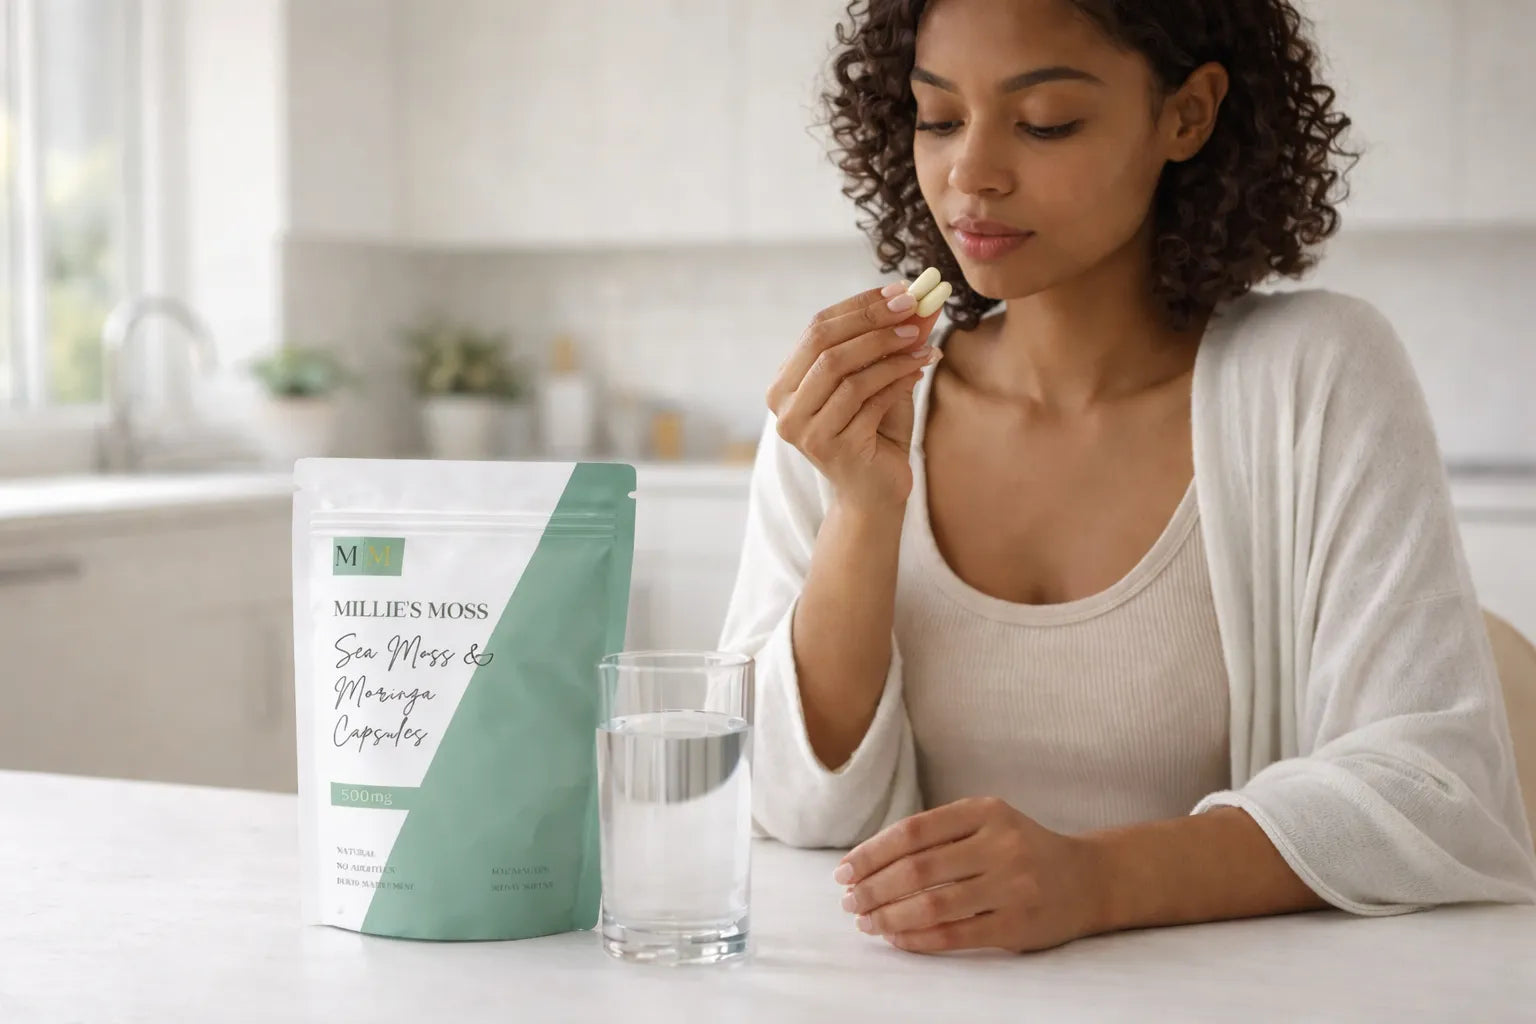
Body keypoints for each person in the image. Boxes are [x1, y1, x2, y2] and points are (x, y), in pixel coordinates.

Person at [719, 0, 1536, 955]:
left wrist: (1094, 879)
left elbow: (1437, 792)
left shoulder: (1316, 374)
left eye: (1046, 121)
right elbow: (782, 809)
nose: (969, 173)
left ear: (1186, 116)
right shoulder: (856, 409)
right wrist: (863, 511)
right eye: (937, 118)